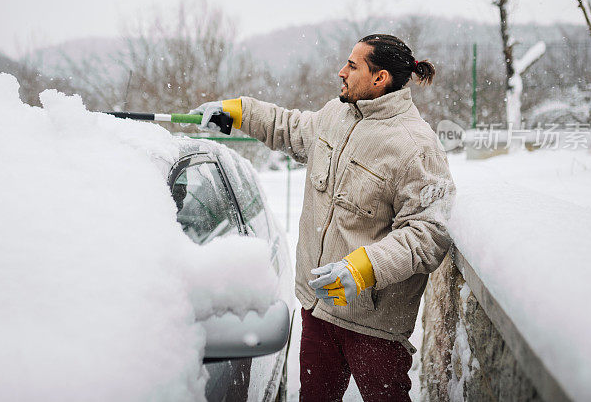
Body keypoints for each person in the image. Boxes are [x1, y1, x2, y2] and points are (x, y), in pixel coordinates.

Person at [191, 34, 455, 401]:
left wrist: (364, 268)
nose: (341, 71)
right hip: (319, 308)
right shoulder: (337, 115)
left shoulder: (417, 147)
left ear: (380, 78)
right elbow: (289, 127)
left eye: (352, 65)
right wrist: (239, 111)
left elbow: (430, 233)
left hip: (374, 325)